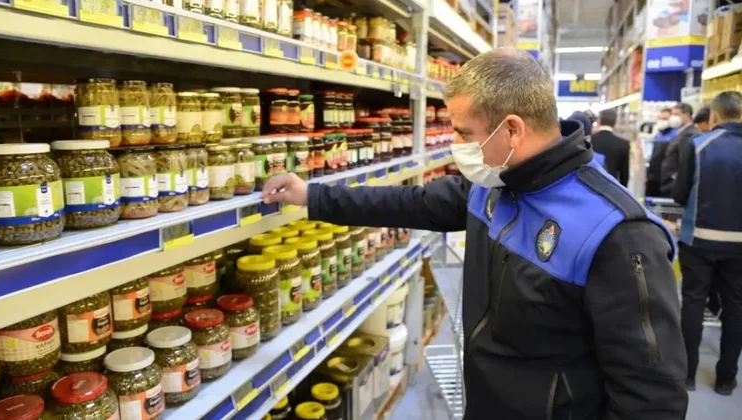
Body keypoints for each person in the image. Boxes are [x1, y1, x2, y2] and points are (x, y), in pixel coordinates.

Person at [262, 48, 688, 419]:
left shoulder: (618, 235)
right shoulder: (495, 183)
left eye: (464, 133)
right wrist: (312, 196)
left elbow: (650, 399)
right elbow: (413, 203)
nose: (456, 143)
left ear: (513, 129)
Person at [673, 91, 742, 396]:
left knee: (693, 302)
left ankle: (687, 374)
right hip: (740, 246)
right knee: (736, 307)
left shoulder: (697, 145)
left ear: (713, 116)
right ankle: (726, 379)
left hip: (698, 240)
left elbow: (678, 194)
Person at [660, 102, 699, 196]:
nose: (672, 118)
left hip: (674, 186)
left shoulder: (689, 134)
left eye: (676, 114)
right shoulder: (679, 133)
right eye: (672, 114)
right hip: (669, 184)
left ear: (687, 116)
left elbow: (684, 161)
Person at [591, 108, 630, 186]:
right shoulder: (623, 144)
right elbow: (624, 173)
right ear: (614, 123)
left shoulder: (589, 140)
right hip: (611, 187)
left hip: (592, 185)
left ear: (599, 121)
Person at [646, 108, 678, 197]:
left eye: (665, 119)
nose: (661, 121)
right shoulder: (658, 135)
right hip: (653, 179)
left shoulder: (675, 136)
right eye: (660, 118)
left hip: (666, 182)